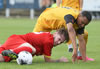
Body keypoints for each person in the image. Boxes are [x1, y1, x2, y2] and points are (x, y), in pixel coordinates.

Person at [0, 28, 69, 63]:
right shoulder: (49, 41)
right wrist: (59, 60)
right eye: (59, 39)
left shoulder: (48, 36)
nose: (58, 42)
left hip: (15, 41)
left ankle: (9, 51)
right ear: (55, 33)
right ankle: (11, 51)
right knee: (32, 50)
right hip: (18, 42)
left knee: (2, 58)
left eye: (61, 42)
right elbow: (47, 60)